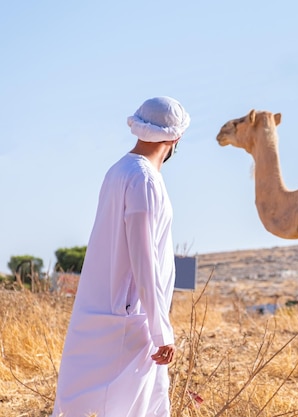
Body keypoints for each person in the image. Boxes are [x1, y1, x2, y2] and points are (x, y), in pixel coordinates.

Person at [51, 96, 190, 417]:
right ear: (176, 137)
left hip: (106, 313)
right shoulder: (143, 179)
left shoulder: (120, 169)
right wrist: (161, 330)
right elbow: (144, 260)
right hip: (129, 320)